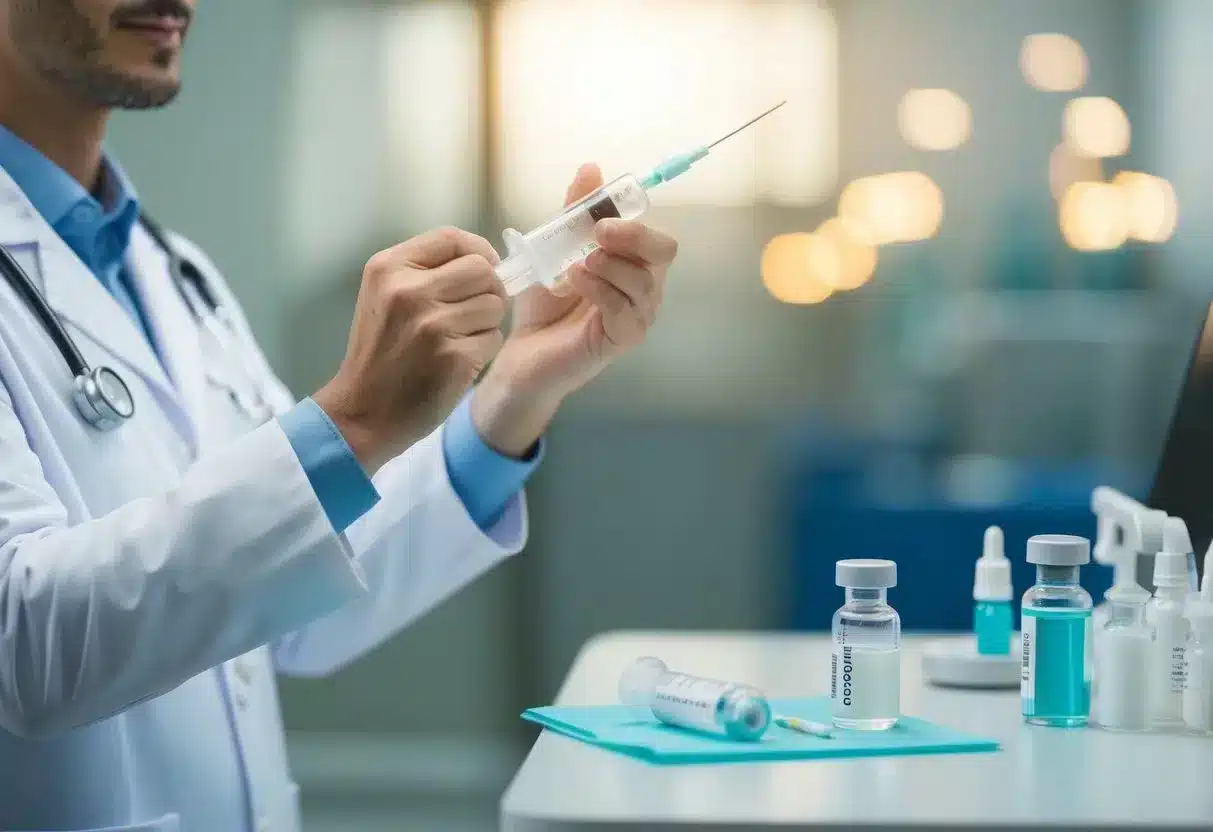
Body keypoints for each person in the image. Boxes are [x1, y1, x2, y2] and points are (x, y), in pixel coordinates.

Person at [0, 0, 678, 829]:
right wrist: (353, 422)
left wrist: (516, 390)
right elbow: (20, 649)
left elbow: (302, 602)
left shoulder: (172, 274)